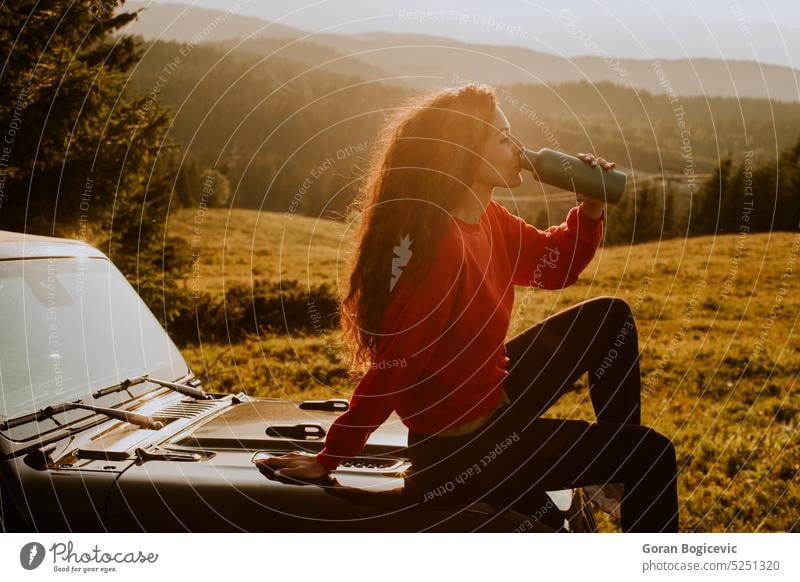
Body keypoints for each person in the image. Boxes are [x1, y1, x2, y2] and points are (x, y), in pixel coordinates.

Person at [256, 83, 679, 532]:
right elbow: (395, 366)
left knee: (609, 320)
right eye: (502, 138)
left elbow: (553, 267)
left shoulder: (486, 218)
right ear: (465, 153)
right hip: (462, 452)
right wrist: (330, 457)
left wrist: (590, 211)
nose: (517, 147)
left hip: (491, 397)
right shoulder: (441, 248)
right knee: (651, 455)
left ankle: (611, 482)